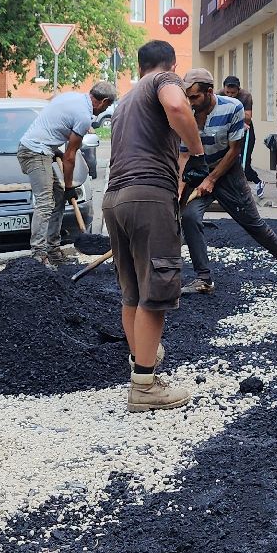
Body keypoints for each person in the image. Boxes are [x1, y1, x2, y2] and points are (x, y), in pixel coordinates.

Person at [105, 40, 205, 413]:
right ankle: (144, 389)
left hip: (115, 199)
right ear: (171, 64)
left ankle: (140, 367)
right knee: (156, 291)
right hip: (147, 197)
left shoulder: (124, 102)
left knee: (132, 290)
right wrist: (197, 151)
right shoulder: (165, 79)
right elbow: (178, 105)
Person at [178, 69, 277, 294]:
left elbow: (235, 151)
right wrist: (179, 190)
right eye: (187, 97)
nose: (190, 101)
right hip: (198, 171)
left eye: (194, 97)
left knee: (252, 223)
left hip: (228, 173)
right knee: (188, 217)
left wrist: (212, 179)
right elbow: (184, 154)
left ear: (209, 92)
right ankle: (203, 279)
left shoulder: (232, 108)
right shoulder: (185, 111)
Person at [17, 81, 118, 267]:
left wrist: (53, 148)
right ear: (103, 102)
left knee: (57, 197)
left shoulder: (72, 97)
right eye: (108, 105)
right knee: (46, 201)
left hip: (40, 149)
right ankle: (38, 255)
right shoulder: (84, 116)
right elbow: (70, 157)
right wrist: (69, 186)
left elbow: (52, 123)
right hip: (34, 152)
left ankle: (53, 250)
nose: (106, 109)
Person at [222, 74, 264, 197]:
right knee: (226, 160)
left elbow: (248, 118)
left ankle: (258, 182)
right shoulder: (218, 94)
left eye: (233, 93)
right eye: (227, 92)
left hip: (245, 129)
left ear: (238, 90)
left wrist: (235, 107)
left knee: (244, 163)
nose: (229, 95)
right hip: (227, 130)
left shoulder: (245, 96)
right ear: (224, 89)